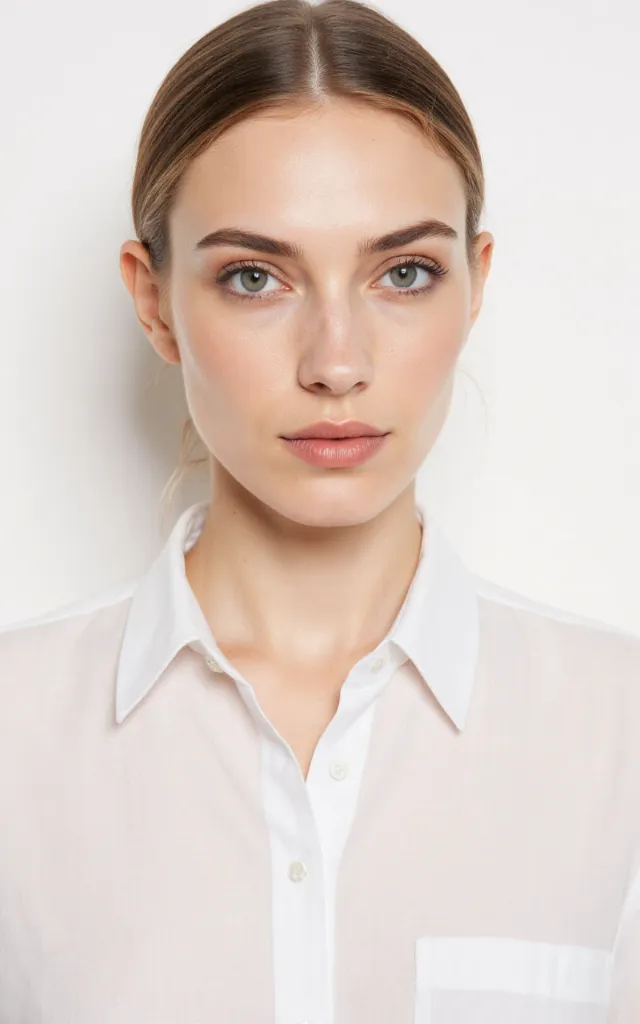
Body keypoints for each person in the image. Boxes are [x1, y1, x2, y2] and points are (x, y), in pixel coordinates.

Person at [1, 0, 639, 1020]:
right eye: (255, 277)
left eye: (404, 273)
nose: (336, 363)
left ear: (475, 285)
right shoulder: (16, 735)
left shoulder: (620, 736)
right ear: (154, 301)